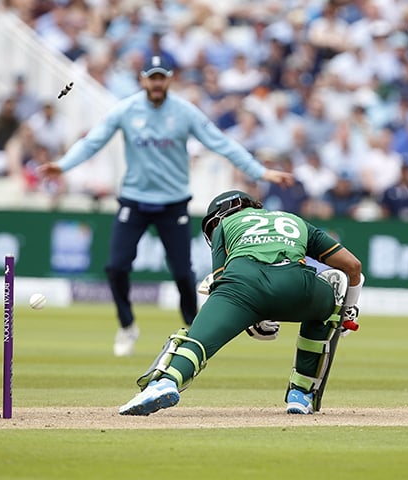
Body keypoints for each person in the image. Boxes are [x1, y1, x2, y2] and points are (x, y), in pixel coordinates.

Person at [39, 55, 294, 357]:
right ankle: (127, 325)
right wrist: (63, 165)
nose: (157, 83)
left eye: (161, 77)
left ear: (169, 79)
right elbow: (93, 141)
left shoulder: (184, 112)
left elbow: (220, 143)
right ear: (143, 80)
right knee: (115, 267)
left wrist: (259, 172)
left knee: (183, 274)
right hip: (134, 200)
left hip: (173, 203)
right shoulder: (126, 109)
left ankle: (196, 331)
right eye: (152, 77)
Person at [118, 190, 364, 416]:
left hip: (243, 284)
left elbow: (220, 279)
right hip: (298, 286)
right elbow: (353, 267)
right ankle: (301, 394)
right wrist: (347, 313)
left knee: (195, 340)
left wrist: (254, 317)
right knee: (332, 288)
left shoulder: (225, 224)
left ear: (223, 214)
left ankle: (165, 382)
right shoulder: (294, 220)